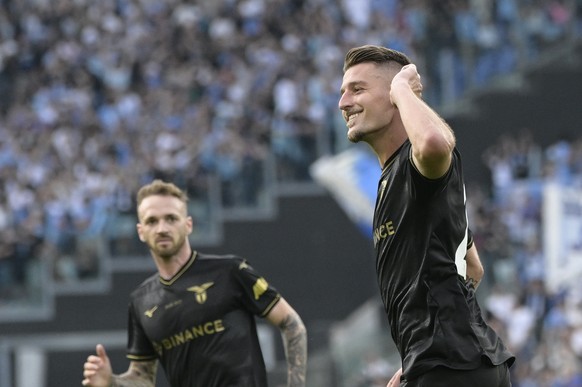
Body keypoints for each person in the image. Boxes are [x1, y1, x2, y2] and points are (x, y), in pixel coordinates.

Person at [338, 45, 515, 387]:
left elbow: (434, 141)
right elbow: (472, 266)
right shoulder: (395, 177)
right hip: (453, 362)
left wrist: (403, 88)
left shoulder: (417, 165)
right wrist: (422, 352)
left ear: (392, 97)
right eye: (343, 92)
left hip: (450, 367)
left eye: (357, 89)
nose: (343, 102)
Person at [82, 179, 307, 387]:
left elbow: (291, 324)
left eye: (171, 218)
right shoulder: (141, 301)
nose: (162, 228)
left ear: (188, 224)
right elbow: (142, 377)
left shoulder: (230, 272)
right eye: (152, 221)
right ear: (141, 232)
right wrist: (110, 382)